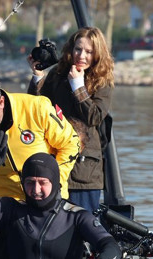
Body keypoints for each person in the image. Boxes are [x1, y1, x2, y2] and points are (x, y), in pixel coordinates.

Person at [0, 72, 80, 201]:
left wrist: (54, 183)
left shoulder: (37, 108)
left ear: (1, 102)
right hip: (2, 206)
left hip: (48, 198)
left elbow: (71, 144)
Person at [28, 27, 114, 212]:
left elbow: (94, 117)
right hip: (54, 159)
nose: (81, 55)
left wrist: (78, 86)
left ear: (97, 54)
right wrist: (37, 76)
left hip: (84, 171)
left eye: (89, 51)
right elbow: (36, 107)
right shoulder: (58, 74)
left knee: (81, 223)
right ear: (70, 49)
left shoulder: (102, 81)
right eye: (78, 49)